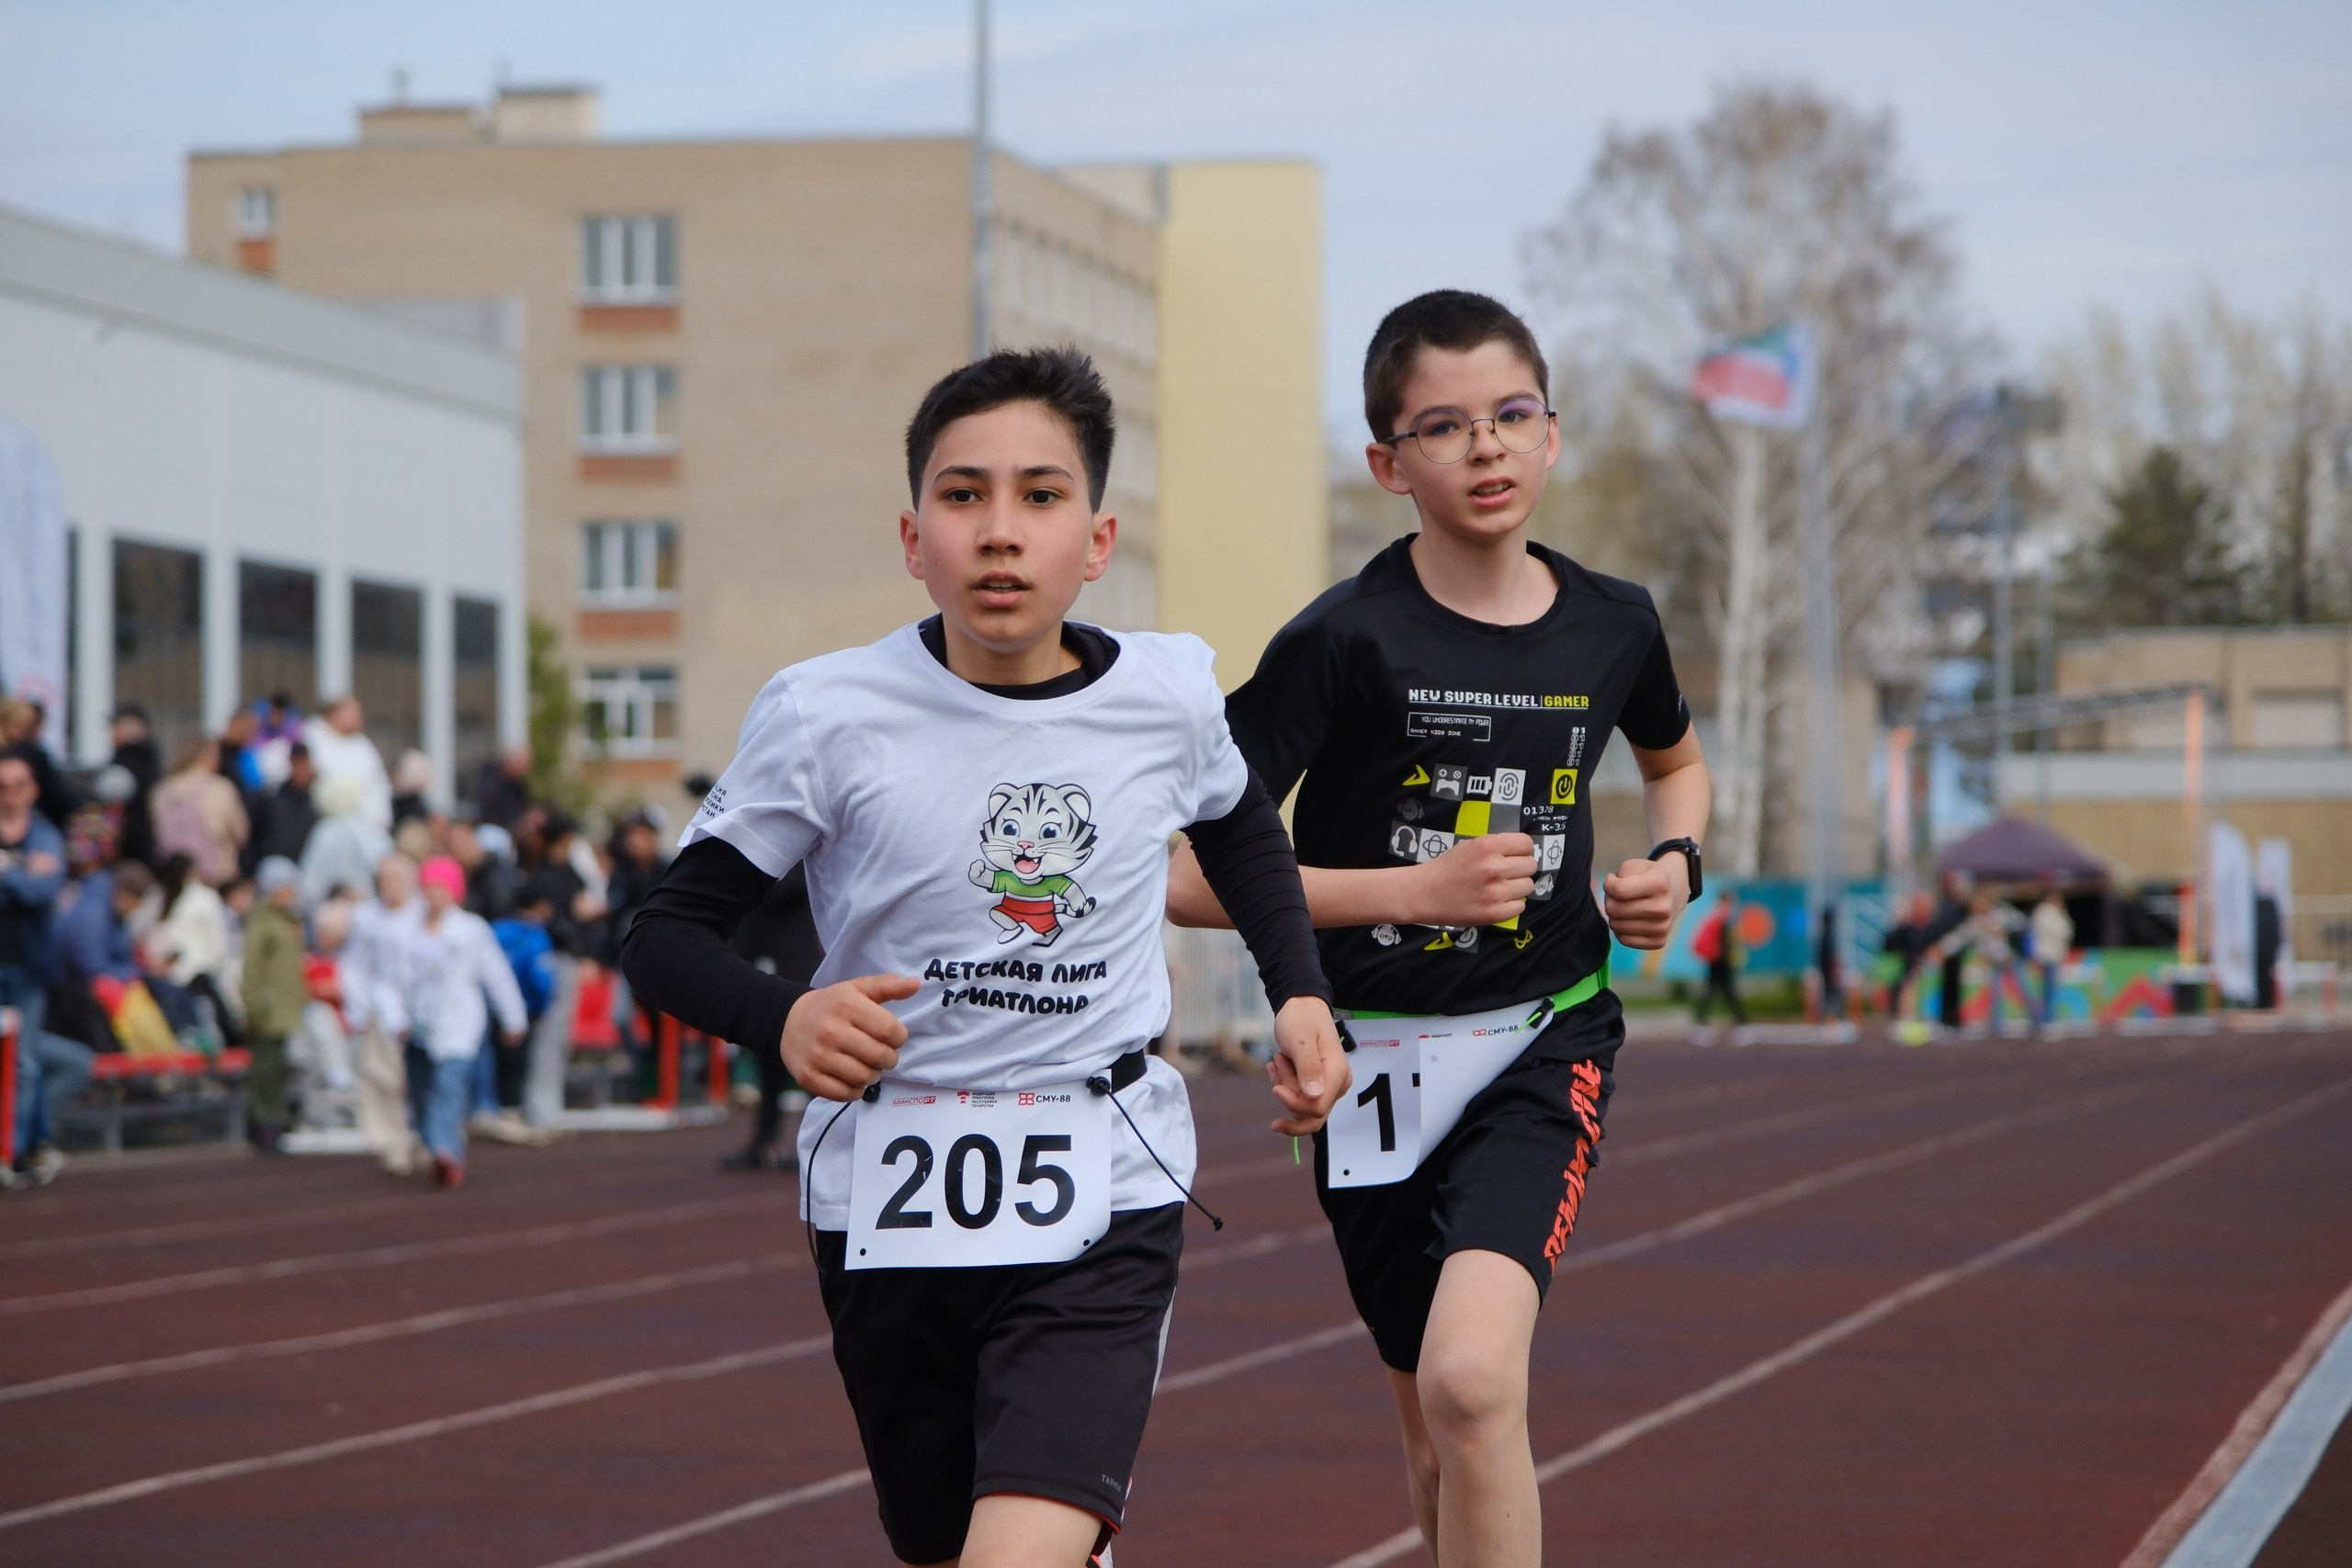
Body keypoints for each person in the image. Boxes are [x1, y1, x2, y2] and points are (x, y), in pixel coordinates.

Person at [623, 345, 1344, 1568]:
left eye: (1040, 496)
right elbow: (661, 933)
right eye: (964, 496)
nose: (1000, 531)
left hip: (1106, 1173)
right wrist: (785, 1018)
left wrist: (1302, 995)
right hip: (890, 1187)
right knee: (946, 1544)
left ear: (1100, 538)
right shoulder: (826, 711)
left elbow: (1241, 834)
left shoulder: (1167, 691)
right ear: (913, 537)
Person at [1165, 290, 1710, 1568]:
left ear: (1553, 433)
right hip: (1369, 1067)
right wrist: (1410, 891)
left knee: (1473, 1382)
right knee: (1433, 1439)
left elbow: (1676, 764)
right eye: (1446, 425)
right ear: (1386, 461)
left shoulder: (1614, 620)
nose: (1487, 446)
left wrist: (1673, 863)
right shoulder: (1341, 642)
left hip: (1543, 1040)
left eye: (1513, 414)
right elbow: (1182, 872)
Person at [401, 855, 526, 1188]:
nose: (434, 895)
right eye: (428, 888)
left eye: (441, 887)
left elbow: (495, 973)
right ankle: (434, 1142)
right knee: (420, 1092)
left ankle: (446, 1152)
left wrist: (512, 1016)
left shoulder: (470, 929)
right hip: (416, 1025)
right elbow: (393, 977)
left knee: (448, 1086)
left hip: (457, 1024)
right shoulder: (408, 927)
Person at [2, 748, 81, 1179]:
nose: (9, 794)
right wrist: (22, 873)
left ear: (32, 790)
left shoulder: (46, 835)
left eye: (17, 785)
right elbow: (31, 887)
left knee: (25, 1062)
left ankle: (15, 1150)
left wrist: (7, 873)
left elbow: (43, 892)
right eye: (2, 786)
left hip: (29, 965)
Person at [345, 853, 424, 1175]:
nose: (389, 887)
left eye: (395, 879)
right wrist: (360, 1008)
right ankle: (395, 1143)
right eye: (384, 880)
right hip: (384, 1010)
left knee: (420, 1081)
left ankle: (427, 1139)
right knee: (385, 1080)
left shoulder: (423, 913)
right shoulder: (368, 918)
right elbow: (354, 966)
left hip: (422, 1011)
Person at [239, 857, 310, 1152]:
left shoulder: (285, 919)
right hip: (267, 1010)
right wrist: (255, 1005)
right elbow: (252, 968)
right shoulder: (263, 921)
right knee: (266, 1070)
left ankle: (276, 1120)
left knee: (279, 1068)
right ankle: (265, 1122)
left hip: (283, 1008)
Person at [151, 733, 249, 886]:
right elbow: (241, 834)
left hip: (173, 879)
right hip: (213, 878)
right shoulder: (221, 788)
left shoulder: (162, 789)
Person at [300, 772, 394, 909]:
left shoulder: (328, 830)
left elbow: (311, 886)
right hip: (373, 907)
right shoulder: (371, 828)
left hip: (336, 911)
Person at [302, 695, 392, 830]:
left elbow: (378, 784)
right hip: (328, 825)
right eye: (353, 711)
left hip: (370, 827)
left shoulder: (363, 745)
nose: (359, 716)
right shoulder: (312, 737)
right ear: (334, 713)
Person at [244, 741, 320, 874]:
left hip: (309, 868)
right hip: (275, 869)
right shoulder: (272, 797)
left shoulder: (319, 798)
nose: (300, 769)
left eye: (304, 763)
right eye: (296, 763)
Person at [107, 704, 164, 869]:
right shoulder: (153, 763)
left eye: (117, 726)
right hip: (147, 850)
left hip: (128, 849)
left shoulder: (125, 764)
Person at [1692, 889, 1747, 1030]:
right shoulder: (1725, 915)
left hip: (1715, 958)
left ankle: (1700, 1020)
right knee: (1726, 990)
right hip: (1722, 960)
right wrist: (1732, 956)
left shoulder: (1715, 914)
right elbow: (1727, 940)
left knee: (1713, 990)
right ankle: (1742, 1021)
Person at [2029, 888, 2074, 1030]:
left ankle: (2047, 1017)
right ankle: (2046, 1019)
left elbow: (2068, 931)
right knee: (2048, 989)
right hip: (2047, 955)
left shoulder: (2056, 913)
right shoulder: (2045, 913)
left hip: (2053, 954)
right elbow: (2060, 932)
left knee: (2049, 988)